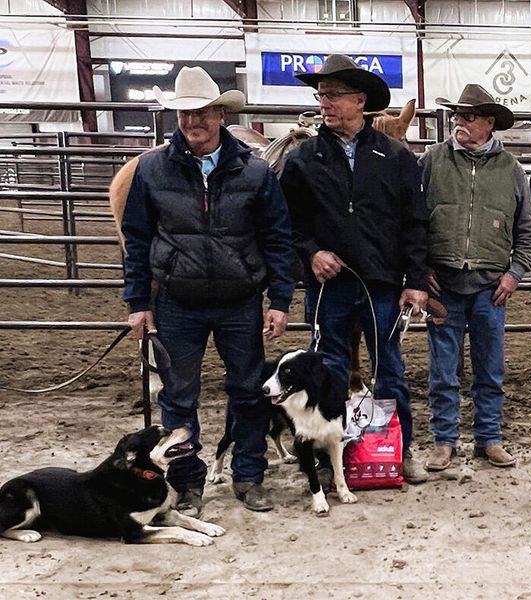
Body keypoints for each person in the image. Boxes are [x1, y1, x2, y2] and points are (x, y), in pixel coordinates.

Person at [120, 66, 295, 513]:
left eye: (201, 112)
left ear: (220, 114)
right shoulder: (151, 169)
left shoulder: (255, 173)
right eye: (185, 114)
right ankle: (186, 482)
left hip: (240, 302)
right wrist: (138, 302)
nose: (192, 122)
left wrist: (279, 300)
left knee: (249, 391)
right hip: (177, 301)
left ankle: (249, 476)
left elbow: (277, 238)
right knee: (178, 396)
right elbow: (136, 238)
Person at [279, 54, 430, 483]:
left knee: (389, 368)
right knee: (327, 371)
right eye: (321, 95)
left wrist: (416, 280)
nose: (325, 103)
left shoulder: (395, 157)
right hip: (330, 285)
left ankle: (399, 450)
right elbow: (287, 222)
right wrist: (311, 252)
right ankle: (328, 457)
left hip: (381, 282)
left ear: (360, 100)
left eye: (334, 95)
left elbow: (415, 222)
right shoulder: (304, 159)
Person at [420, 84, 531, 470]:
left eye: (469, 117)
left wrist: (514, 273)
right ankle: (444, 440)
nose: (460, 122)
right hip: (442, 284)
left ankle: (489, 437)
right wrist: (421, 268)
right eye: (457, 115)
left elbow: (527, 229)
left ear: (489, 123)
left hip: (491, 287)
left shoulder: (512, 170)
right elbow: (412, 218)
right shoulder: (432, 160)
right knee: (442, 367)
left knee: (490, 367)